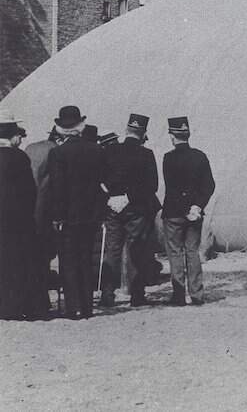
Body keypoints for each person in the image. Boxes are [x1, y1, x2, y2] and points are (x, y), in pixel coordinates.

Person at [47, 106, 108, 320]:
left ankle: (73, 308)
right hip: (91, 215)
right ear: (81, 126)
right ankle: (88, 307)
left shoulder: (57, 153)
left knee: (68, 260)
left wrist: (57, 216)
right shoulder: (97, 150)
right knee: (85, 258)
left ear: (61, 128)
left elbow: (58, 188)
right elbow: (103, 184)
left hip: (68, 216)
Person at [99, 114, 160, 307]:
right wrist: (128, 198)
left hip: (112, 209)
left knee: (112, 250)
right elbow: (152, 186)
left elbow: (99, 179)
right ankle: (137, 294)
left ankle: (107, 294)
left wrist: (110, 198)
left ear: (126, 130)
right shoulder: (146, 154)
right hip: (136, 209)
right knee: (137, 250)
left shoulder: (110, 151)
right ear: (143, 134)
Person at [162, 116, 215, 306]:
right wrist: (197, 206)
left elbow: (172, 188)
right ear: (187, 134)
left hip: (174, 213)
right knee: (192, 252)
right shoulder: (200, 156)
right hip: (195, 214)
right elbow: (209, 185)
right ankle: (197, 294)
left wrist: (184, 207)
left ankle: (178, 295)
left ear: (172, 136)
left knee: (175, 253)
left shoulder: (168, 158)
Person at [0, 111, 44, 320]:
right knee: (17, 264)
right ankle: (15, 307)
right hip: (16, 220)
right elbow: (29, 191)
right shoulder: (18, 157)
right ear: (12, 135)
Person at [23, 124, 65, 315]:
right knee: (44, 258)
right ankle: (42, 302)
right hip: (45, 212)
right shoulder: (55, 152)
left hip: (25, 211)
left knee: (31, 258)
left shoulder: (30, 148)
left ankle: (32, 300)